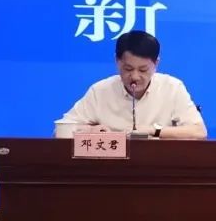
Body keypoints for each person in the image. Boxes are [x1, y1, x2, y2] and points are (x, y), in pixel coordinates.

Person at [56, 30, 207, 139]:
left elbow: (198, 132)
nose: (134, 76)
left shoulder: (172, 87)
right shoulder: (100, 91)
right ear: (117, 61)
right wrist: (90, 131)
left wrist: (153, 130)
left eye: (143, 70)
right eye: (128, 69)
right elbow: (60, 131)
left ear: (156, 64)